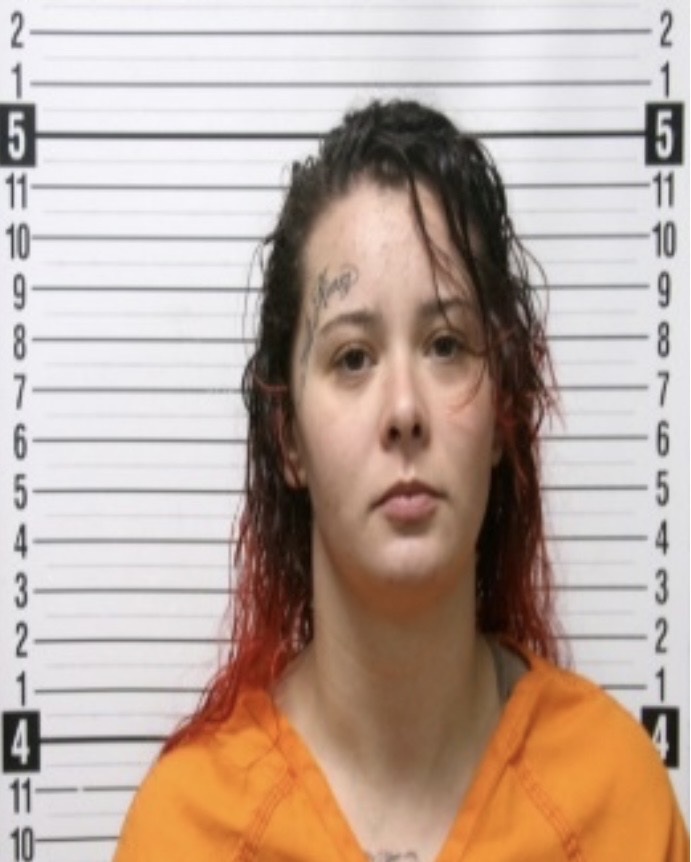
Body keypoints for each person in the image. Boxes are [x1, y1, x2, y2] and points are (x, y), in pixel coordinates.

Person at [113, 99, 688, 861]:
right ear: (288, 437)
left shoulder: (616, 800)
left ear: (502, 413)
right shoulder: (185, 831)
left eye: (446, 345)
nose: (404, 411)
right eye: (352, 357)